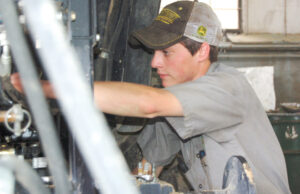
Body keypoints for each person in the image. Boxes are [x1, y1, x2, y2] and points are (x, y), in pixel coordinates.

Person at [11, 1, 291, 193]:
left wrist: (48, 87)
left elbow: (148, 104)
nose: (154, 63)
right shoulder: (177, 104)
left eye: (166, 53)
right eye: (153, 52)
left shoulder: (229, 87)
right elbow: (147, 171)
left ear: (203, 51)